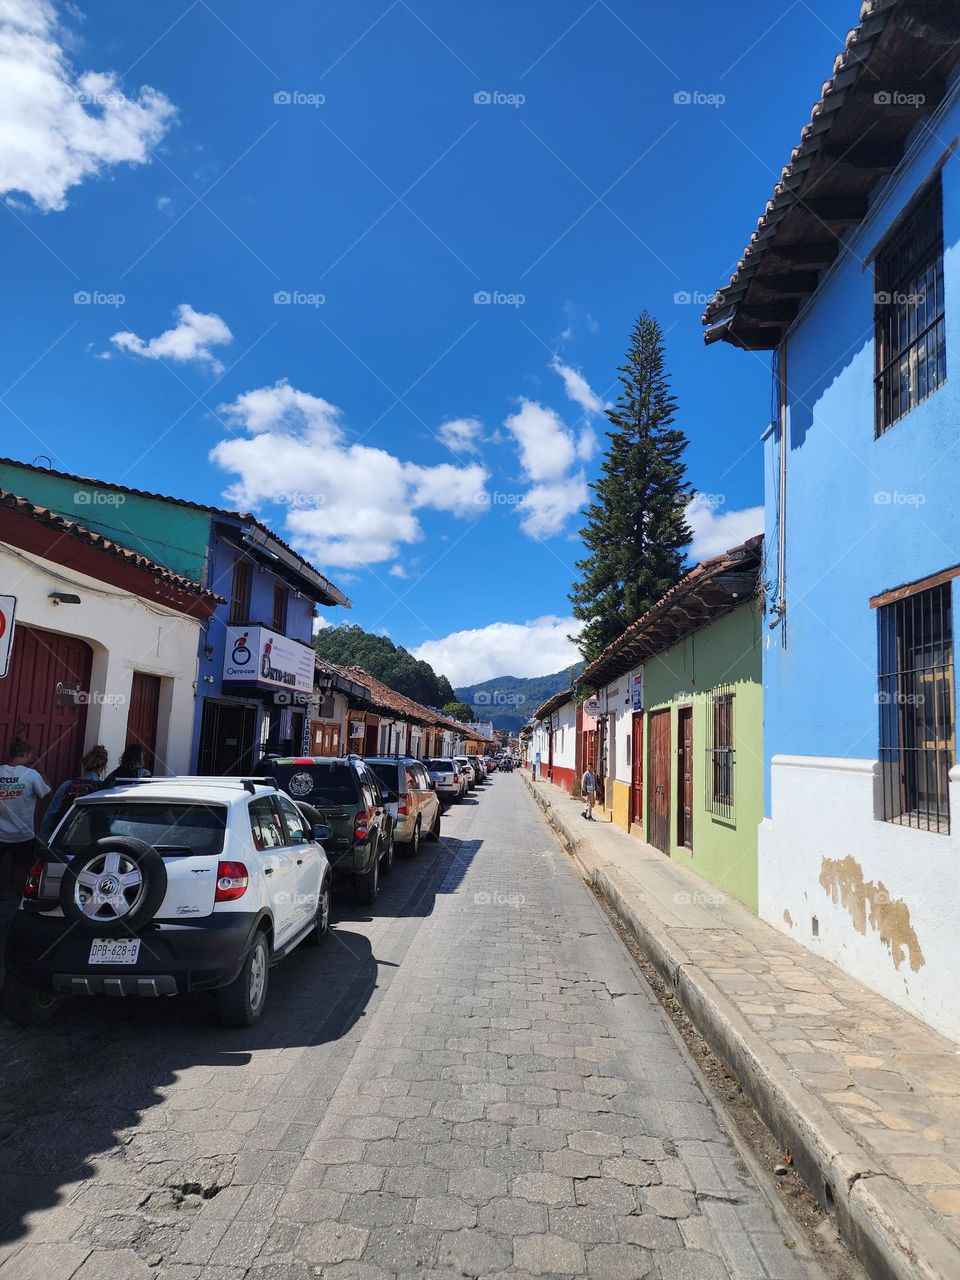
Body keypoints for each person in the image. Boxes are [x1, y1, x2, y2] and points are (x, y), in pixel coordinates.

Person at [0, 738, 50, 899]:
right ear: (28, 755)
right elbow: (48, 794)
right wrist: (41, 771)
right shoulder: (32, 775)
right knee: (20, 868)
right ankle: (16, 897)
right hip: (23, 834)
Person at [39, 744, 109, 841]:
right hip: (95, 842)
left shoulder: (67, 785)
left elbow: (50, 814)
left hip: (66, 839)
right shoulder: (105, 789)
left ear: (84, 765)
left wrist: (44, 839)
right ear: (103, 767)